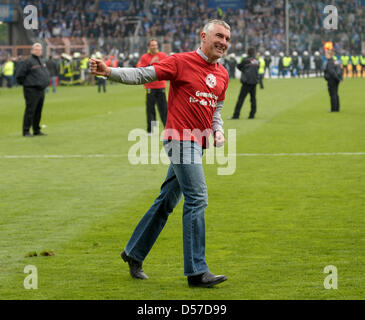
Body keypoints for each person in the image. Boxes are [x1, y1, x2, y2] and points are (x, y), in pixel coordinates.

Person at [89, 19, 229, 288]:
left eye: (227, 38)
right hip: (179, 140)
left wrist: (217, 130)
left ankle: (133, 253)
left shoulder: (222, 75)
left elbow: (217, 110)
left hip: (198, 144)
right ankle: (197, 272)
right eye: (219, 36)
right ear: (204, 36)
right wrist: (109, 72)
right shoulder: (180, 61)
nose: (223, 42)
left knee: (166, 201)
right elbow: (143, 74)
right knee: (198, 197)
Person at [15, 43, 50, 137]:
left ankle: (36, 130)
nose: (38, 51)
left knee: (38, 111)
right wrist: (27, 84)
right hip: (31, 89)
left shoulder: (40, 60)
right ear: (32, 50)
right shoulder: (28, 61)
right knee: (30, 110)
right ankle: (26, 131)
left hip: (40, 89)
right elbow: (19, 75)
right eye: (36, 49)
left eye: (40, 50)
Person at [137, 39, 168, 134]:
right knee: (150, 109)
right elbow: (141, 70)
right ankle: (152, 130)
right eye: (152, 45)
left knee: (164, 109)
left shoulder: (163, 56)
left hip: (161, 86)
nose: (154, 47)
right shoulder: (144, 57)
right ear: (149, 47)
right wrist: (151, 63)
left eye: (156, 45)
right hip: (150, 87)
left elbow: (167, 68)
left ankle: (167, 129)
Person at [229, 47, 259, 119]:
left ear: (248, 53)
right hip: (254, 82)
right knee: (253, 99)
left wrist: (243, 70)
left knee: (241, 99)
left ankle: (236, 115)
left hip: (246, 82)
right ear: (254, 52)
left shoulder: (246, 60)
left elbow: (238, 66)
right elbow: (257, 68)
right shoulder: (257, 61)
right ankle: (252, 115)